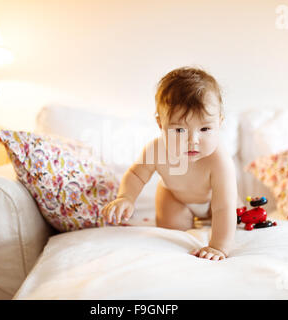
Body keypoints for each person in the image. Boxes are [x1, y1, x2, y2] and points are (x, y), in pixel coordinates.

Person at [101, 66, 237, 261]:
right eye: (179, 130)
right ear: (160, 125)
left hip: (213, 199)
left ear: (220, 122)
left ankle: (219, 226)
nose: (193, 140)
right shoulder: (156, 150)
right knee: (171, 230)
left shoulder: (219, 160)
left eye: (205, 128)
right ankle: (182, 220)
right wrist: (126, 197)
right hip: (174, 195)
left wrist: (218, 247)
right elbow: (136, 175)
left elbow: (224, 206)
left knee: (232, 209)